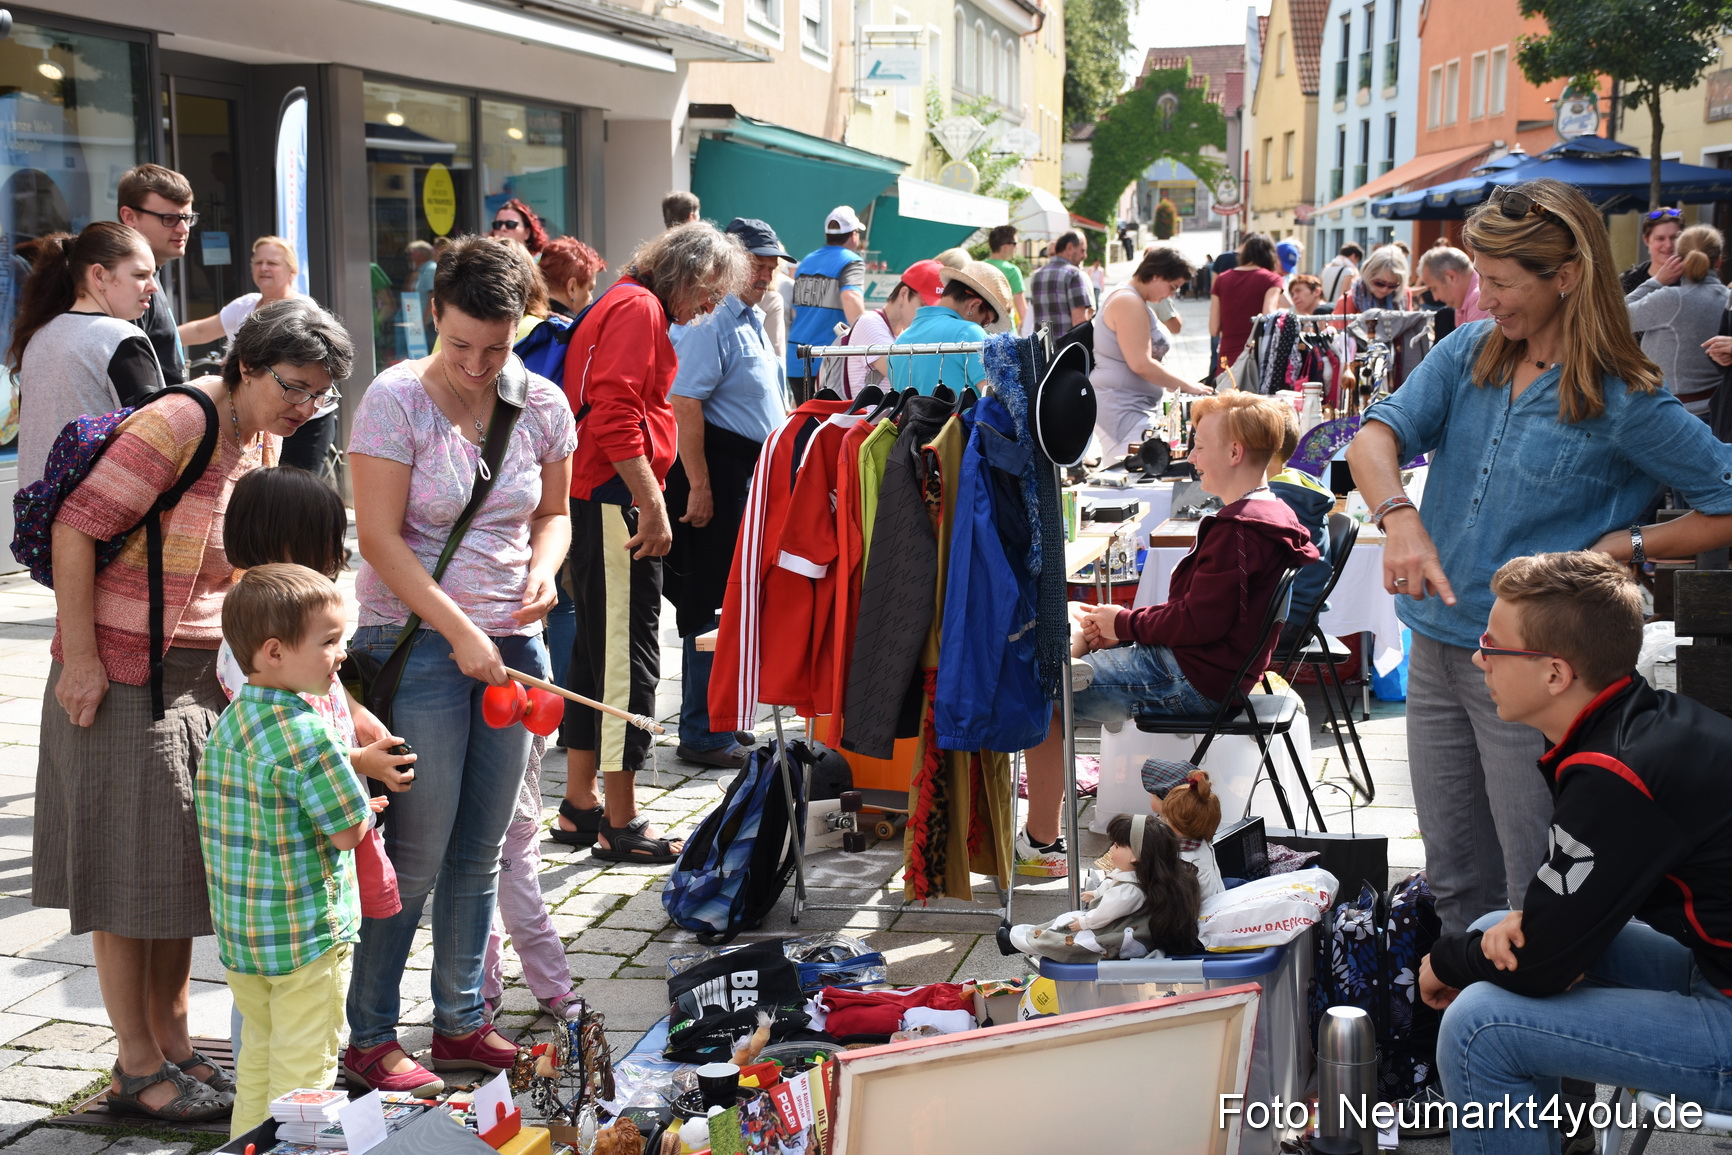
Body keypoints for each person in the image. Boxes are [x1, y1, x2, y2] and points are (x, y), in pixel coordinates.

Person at [1344, 179, 1732, 936]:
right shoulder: (1469, 351)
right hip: (1436, 648)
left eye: (1500, 281)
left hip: (1541, 674)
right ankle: (1458, 1036)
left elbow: (1724, 499)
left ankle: (1529, 1046)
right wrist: (1398, 516)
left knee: (1537, 888)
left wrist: (1630, 544)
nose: (1483, 299)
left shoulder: (1621, 396)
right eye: (1481, 278)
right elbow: (1372, 437)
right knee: (1455, 876)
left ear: (1566, 276)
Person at [33, 297, 353, 1122]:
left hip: (199, 673)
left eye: (318, 394)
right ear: (245, 365)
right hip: (121, 670)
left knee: (174, 870)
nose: (303, 406)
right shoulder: (180, 420)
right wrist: (82, 659)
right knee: (123, 869)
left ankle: (175, 1043)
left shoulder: (262, 433)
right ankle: (136, 1065)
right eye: (293, 385)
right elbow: (77, 527)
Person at [342, 235, 576, 1095]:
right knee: (419, 849)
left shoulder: (544, 401)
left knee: (486, 845)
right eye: (461, 344)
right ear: (433, 313)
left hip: (514, 643)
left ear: (525, 325)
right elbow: (376, 537)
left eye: (498, 346)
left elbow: (555, 513)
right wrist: (457, 632)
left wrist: (546, 569)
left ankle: (460, 1024)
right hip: (417, 646)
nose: (479, 364)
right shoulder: (394, 398)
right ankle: (368, 1036)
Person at [1417, 551, 1732, 1155]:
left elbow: (1545, 966)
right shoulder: (1636, 721)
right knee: (1493, 930)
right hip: (1715, 966)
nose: (1479, 658)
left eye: (1493, 646)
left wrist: (1445, 962)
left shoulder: (1616, 772)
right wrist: (1538, 939)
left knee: (1479, 1026)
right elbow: (1556, 933)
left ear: (1555, 674)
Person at [1016, 392, 1319, 875]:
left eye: (1200, 446)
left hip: (1191, 679)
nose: (1192, 457)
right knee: (1075, 621)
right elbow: (1198, 616)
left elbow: (1198, 622)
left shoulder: (1241, 528)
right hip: (1201, 669)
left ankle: (1041, 844)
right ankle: (1076, 652)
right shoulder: (1264, 516)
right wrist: (1125, 626)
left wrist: (1127, 625)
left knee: (1040, 693)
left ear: (1234, 452)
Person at [550, 222, 747, 858]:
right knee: (624, 662)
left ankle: (582, 806)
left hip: (599, 497)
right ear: (683, 274)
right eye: (710, 291)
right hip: (613, 500)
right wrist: (651, 501)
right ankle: (621, 821)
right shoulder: (637, 307)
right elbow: (613, 412)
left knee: (596, 655)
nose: (711, 305)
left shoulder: (623, 301)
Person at [197, 564, 373, 1135]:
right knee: (307, 1079)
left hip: (245, 936)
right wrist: (364, 809)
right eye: (328, 642)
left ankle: (246, 1148)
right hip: (306, 937)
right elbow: (348, 831)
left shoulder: (227, 723)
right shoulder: (310, 733)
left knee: (258, 1063)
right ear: (274, 651)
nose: (341, 653)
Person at [663, 218, 790, 770]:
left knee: (736, 604)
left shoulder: (750, 319)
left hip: (745, 476)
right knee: (710, 603)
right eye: (756, 262)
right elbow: (684, 403)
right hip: (718, 473)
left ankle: (724, 721)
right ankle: (702, 729)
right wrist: (700, 485)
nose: (766, 271)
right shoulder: (710, 321)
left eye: (771, 263)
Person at [10, 222, 162, 486]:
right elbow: (159, 442)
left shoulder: (40, 336)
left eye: (153, 274)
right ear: (100, 275)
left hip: (38, 519)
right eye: (140, 275)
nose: (153, 287)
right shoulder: (121, 338)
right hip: (99, 521)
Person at [1001, 813, 1201, 961]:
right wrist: (1096, 893)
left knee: (1071, 940)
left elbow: (1106, 913)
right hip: (1113, 923)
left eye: (1117, 846)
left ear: (1135, 856)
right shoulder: (1137, 877)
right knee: (1064, 921)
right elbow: (1110, 884)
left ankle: (1017, 942)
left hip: (1113, 931)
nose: (1111, 850)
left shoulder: (1130, 890)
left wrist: (1086, 923)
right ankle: (1020, 933)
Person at [1089, 246, 1210, 462]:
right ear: (1156, 276)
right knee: (1131, 475)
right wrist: (1189, 387)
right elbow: (1141, 364)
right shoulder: (1129, 302)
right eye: (1172, 287)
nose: (1171, 295)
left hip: (1128, 406)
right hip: (1122, 409)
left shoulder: (1133, 299)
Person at [1626, 224, 1729, 420]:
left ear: (1679, 260)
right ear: (1719, 261)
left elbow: (1616, 318)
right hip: (1719, 411)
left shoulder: (1673, 299)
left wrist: (1656, 281)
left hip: (1672, 414)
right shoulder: (1727, 298)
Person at [116, 164, 194, 386]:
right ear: (129, 216)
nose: (183, 229)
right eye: (169, 218)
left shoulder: (149, 276)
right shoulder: (125, 286)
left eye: (187, 218)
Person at [885, 261, 1011, 395]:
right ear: (973, 305)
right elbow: (997, 398)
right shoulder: (969, 333)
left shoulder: (901, 340)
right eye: (985, 320)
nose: (984, 327)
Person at [785, 206, 866, 404]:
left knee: (804, 425)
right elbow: (851, 297)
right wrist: (866, 336)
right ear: (853, 235)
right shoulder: (851, 261)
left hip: (796, 358)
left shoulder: (807, 261)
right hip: (827, 360)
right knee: (827, 429)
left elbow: (798, 309)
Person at [831, 259, 942, 395]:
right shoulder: (871, 323)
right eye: (924, 306)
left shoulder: (900, 332)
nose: (928, 315)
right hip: (866, 416)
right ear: (903, 294)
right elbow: (905, 376)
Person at [178, 236, 303, 348]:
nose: (263, 268)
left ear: (292, 272)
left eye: (272, 263)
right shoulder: (245, 305)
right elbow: (200, 331)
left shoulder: (303, 310)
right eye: (258, 262)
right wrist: (161, 337)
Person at [1210, 233, 1290, 374]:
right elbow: (1269, 316)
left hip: (1227, 355)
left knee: (1227, 393)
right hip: (1257, 355)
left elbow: (1213, 328)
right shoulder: (1272, 279)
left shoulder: (1222, 279)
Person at [1159, 770, 1224, 900]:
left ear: (1183, 823)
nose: (1163, 821)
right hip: (1217, 902)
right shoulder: (1203, 842)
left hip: (1198, 917)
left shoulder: (1183, 861)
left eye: (1168, 819)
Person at [1028, 230, 1093, 333]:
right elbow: (1079, 322)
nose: (1084, 256)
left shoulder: (1037, 275)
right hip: (1068, 347)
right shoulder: (1074, 274)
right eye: (1082, 250)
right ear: (1070, 248)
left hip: (1042, 347)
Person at [1416, 245, 1488, 325]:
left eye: (1434, 289)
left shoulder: (1479, 301)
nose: (1435, 298)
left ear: (1451, 277)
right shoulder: (1462, 300)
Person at [539, 236, 607, 319]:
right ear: (572, 288)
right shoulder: (567, 329)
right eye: (590, 289)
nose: (591, 299)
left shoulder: (522, 317)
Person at [1619, 206, 1683, 295]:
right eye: (1660, 239)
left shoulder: (1695, 277)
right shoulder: (1628, 282)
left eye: (1674, 237)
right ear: (1646, 240)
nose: (1668, 245)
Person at [1337, 243, 1412, 313]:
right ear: (1368, 275)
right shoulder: (1349, 300)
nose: (1384, 289)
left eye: (1392, 285)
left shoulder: (1404, 295)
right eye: (1379, 283)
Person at [984, 225, 1029, 333]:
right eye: (1015, 244)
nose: (1016, 248)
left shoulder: (978, 267)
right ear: (1006, 246)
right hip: (1005, 332)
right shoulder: (1012, 270)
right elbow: (1023, 311)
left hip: (981, 329)